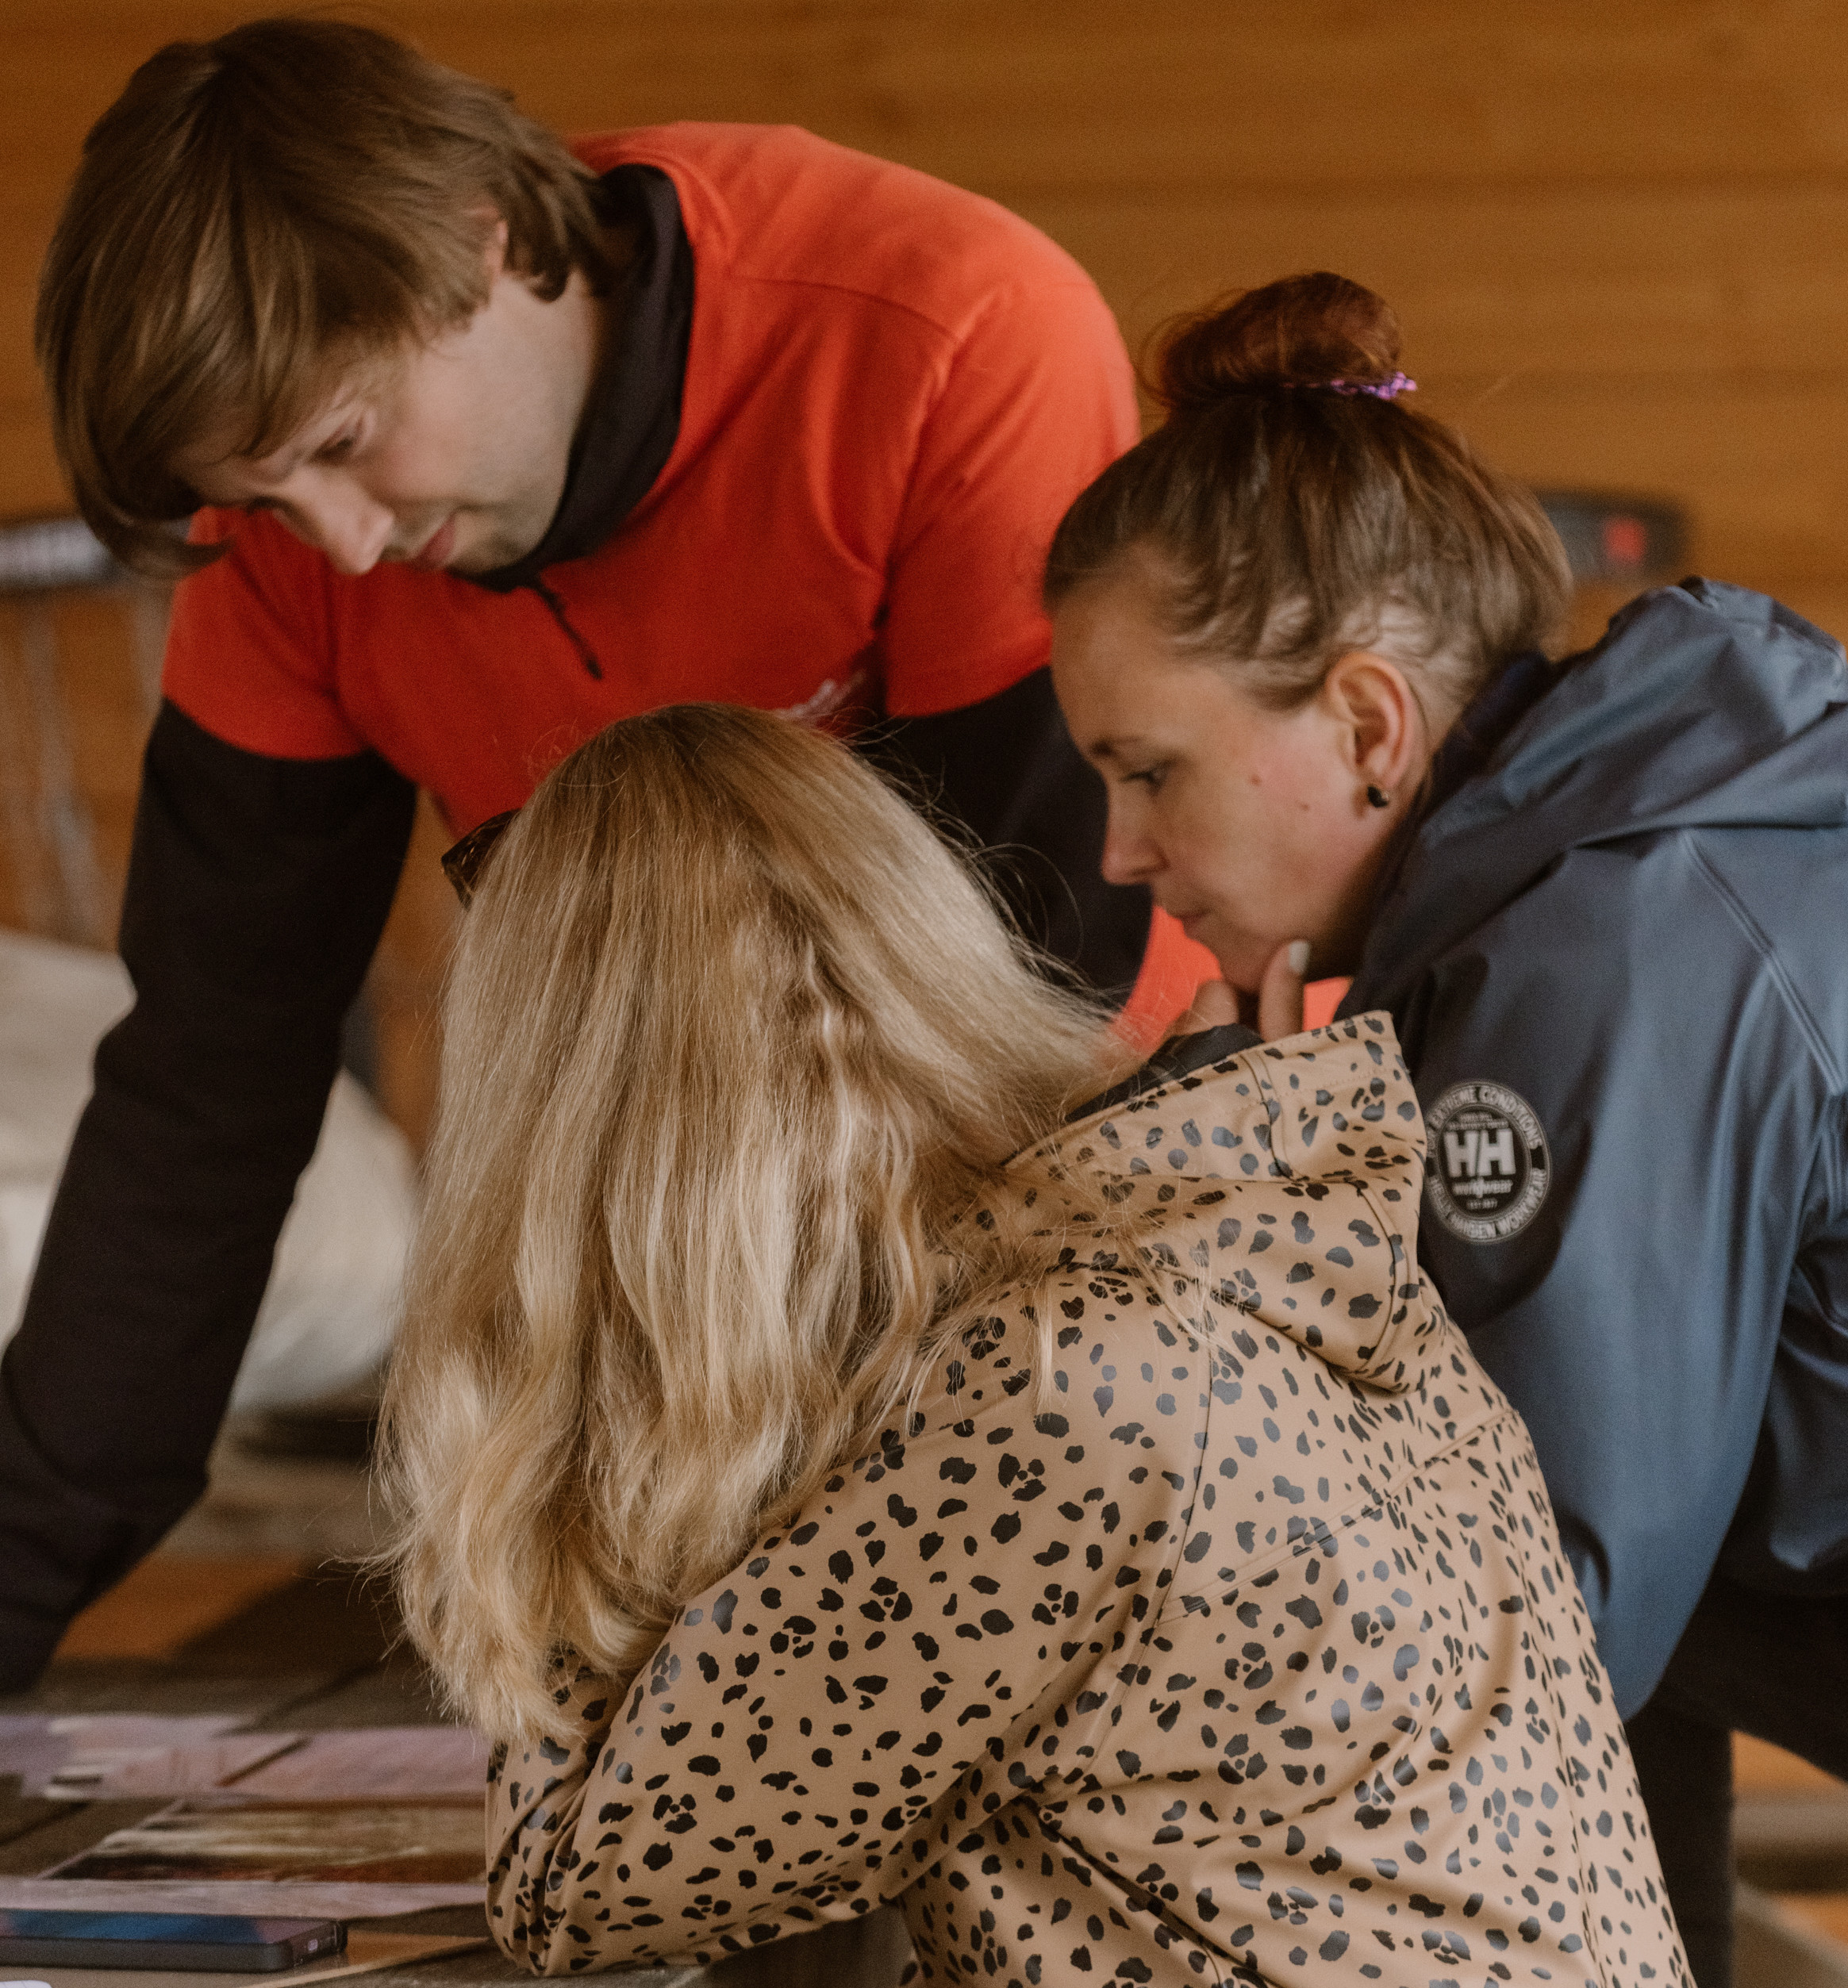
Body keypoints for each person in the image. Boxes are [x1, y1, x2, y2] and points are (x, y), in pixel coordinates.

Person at [6, 16, 1159, 1687]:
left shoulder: (946, 328)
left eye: (340, 445)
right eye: (258, 502)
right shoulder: (286, 545)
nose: (336, 546)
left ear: (482, 245)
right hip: (691, 1283)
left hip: (1087, 1190)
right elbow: (204, 1093)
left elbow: (1043, 991)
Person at [382, 700, 1738, 1988]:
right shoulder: (1236, 1264)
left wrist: (571, 1421)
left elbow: (575, 1881)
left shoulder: (1053, 1391)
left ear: (586, 1149)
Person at [1039, 271, 1848, 1988]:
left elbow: (1530, 1622)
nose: (1121, 849)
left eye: (1148, 770)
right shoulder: (1618, 876)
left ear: (1370, 727)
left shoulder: (1604, 961)